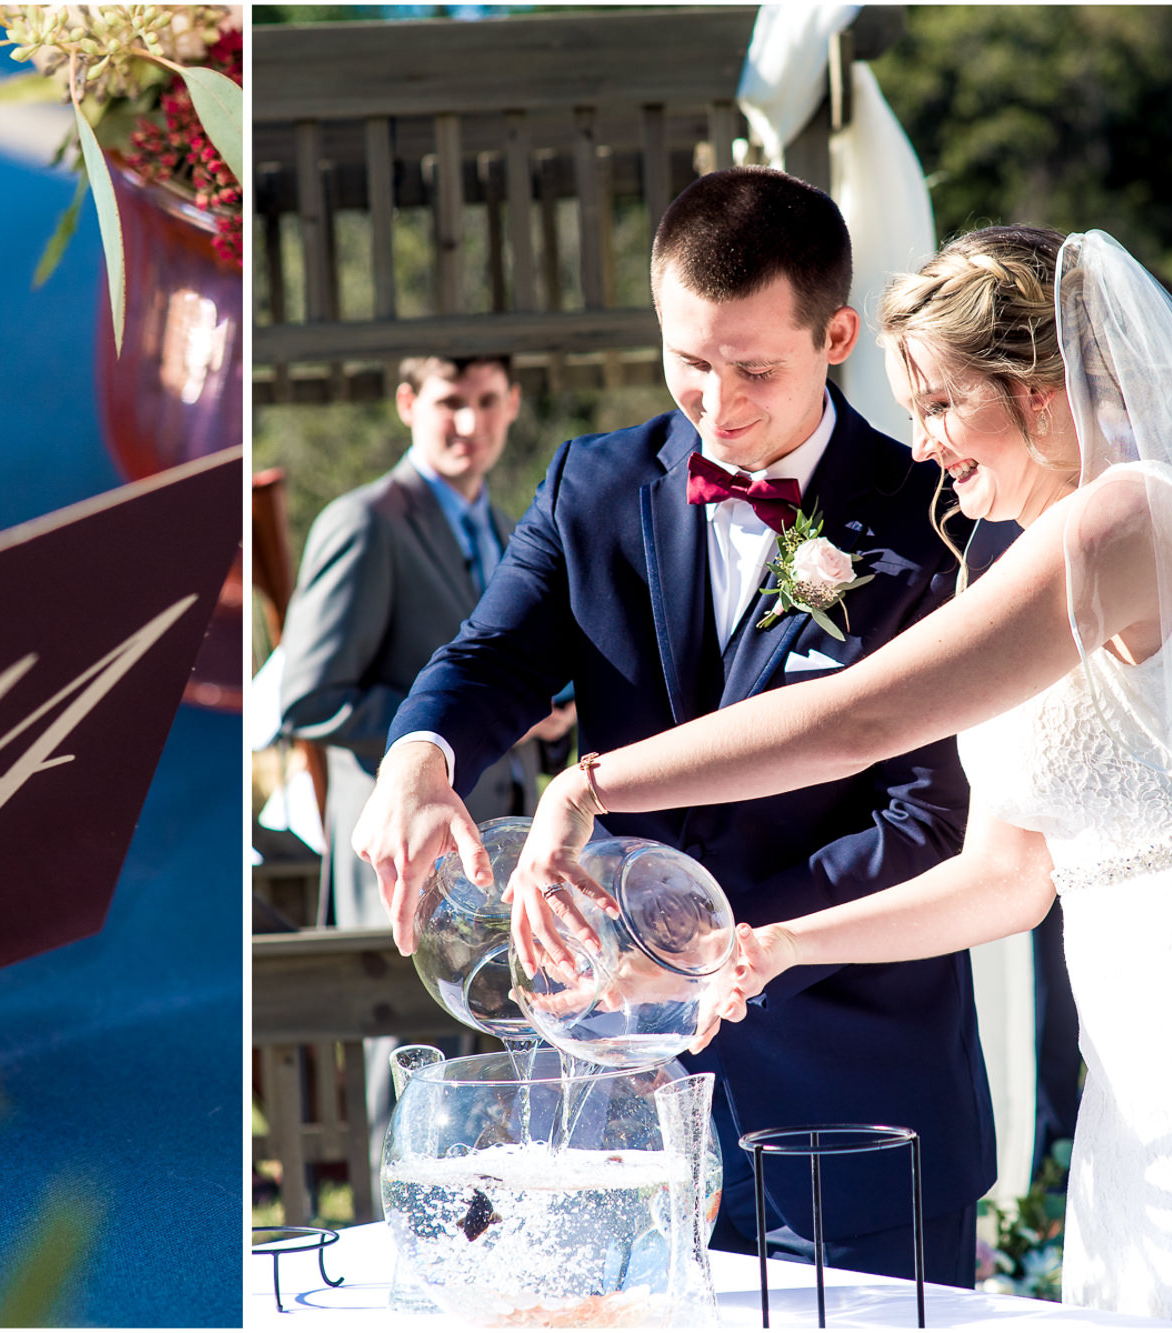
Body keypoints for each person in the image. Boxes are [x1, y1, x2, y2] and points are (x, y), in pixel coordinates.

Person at [505, 226, 1172, 1327]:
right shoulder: (1040, 550)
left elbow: (858, 716)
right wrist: (780, 944)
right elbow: (1010, 876)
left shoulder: (1129, 523)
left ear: (1044, 391)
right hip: (1139, 1032)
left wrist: (587, 785)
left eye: (940, 406)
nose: (920, 447)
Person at [353, 168, 992, 1288]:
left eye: (753, 368)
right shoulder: (590, 484)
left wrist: (696, 943)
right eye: (688, 362)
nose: (717, 404)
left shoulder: (934, 518)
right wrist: (422, 751)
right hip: (620, 1124)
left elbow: (932, 822)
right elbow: (495, 654)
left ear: (837, 334)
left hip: (851, 1102)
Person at [268, 355, 570, 928]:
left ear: (512, 405)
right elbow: (309, 699)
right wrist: (453, 733)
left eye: (485, 402)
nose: (470, 424)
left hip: (506, 870)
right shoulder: (362, 522)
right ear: (407, 405)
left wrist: (549, 724)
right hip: (400, 871)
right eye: (450, 403)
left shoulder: (516, 532)